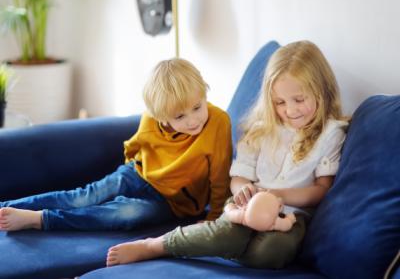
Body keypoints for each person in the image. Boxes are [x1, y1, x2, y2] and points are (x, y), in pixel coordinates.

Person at [106, 40, 349, 269]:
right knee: (225, 233)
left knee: (274, 252)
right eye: (279, 102)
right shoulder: (261, 129)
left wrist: (279, 195)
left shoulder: (331, 133)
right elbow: (239, 176)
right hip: (247, 204)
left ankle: (228, 245)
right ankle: (155, 246)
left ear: (321, 91)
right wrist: (243, 190)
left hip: (292, 215)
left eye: (298, 99)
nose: (290, 110)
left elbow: (321, 190)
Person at [0, 58, 232, 231]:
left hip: (172, 202)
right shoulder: (151, 118)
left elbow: (220, 177)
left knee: (127, 214)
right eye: (180, 117)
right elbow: (135, 145)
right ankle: (6, 206)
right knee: (83, 196)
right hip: (138, 173)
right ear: (162, 117)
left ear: (204, 93)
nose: (193, 120)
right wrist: (129, 172)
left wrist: (214, 218)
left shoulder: (219, 122)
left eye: (197, 107)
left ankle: (40, 219)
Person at [224, 191, 296, 232]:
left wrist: (230, 206)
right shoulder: (274, 223)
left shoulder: (243, 216)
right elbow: (287, 225)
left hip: (246, 217)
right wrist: (290, 219)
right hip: (269, 224)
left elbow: (230, 212)